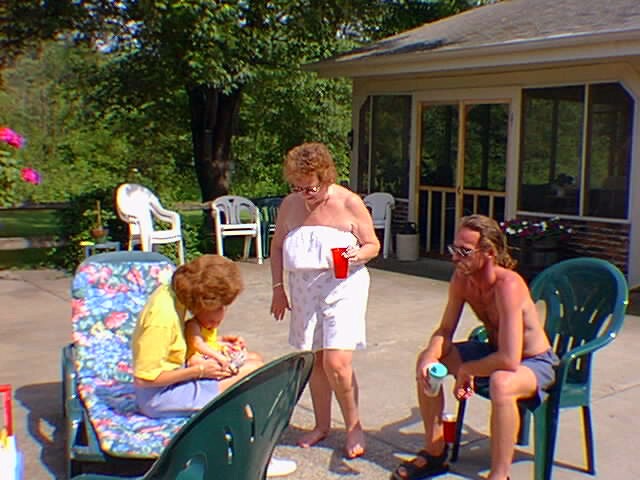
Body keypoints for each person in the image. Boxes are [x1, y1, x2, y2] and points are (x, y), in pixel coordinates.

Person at [391, 214, 558, 480]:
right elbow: (445, 330)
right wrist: (429, 357)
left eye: (464, 251)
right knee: (430, 362)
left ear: (488, 252)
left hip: (534, 362)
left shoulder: (508, 285)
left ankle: (499, 474)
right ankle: (434, 452)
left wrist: (468, 369)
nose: (455, 258)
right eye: (453, 249)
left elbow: (510, 359)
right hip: (492, 352)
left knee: (502, 382)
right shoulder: (462, 279)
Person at [132, 254, 296, 477]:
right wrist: (200, 371)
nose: (222, 312)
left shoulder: (173, 295)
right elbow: (145, 378)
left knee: (253, 359)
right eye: (220, 306)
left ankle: (242, 443)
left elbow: (180, 342)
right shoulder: (161, 319)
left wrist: (217, 343)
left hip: (172, 377)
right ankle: (250, 456)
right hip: (158, 396)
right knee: (251, 375)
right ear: (203, 301)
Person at [270, 142, 380, 459]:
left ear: (326, 175)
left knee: (337, 363)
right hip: (303, 287)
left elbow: (373, 245)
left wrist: (356, 254)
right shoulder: (290, 205)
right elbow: (277, 246)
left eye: (311, 187)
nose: (305, 194)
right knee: (317, 361)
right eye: (297, 187)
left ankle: (354, 425)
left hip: (344, 284)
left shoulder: (349, 203)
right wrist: (279, 288)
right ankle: (321, 425)